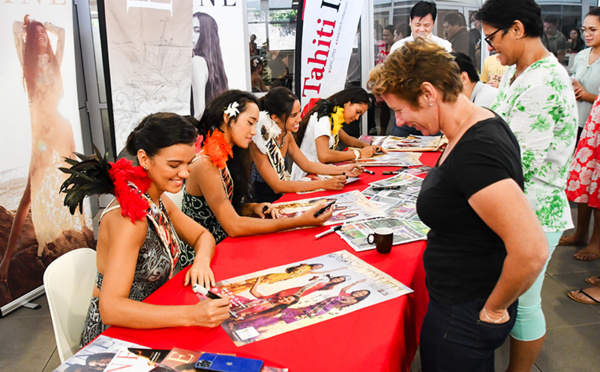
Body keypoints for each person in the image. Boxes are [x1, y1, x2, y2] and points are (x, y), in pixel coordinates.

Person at [368, 37, 548, 371]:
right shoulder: (476, 123)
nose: (402, 121)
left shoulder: (475, 151)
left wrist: (493, 309)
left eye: (399, 110)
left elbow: (532, 250)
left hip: (465, 313)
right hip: (462, 301)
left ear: (428, 94)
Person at [59, 113, 231, 348]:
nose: (185, 173)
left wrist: (201, 261)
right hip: (116, 337)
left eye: (189, 163)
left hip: (153, 317)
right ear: (144, 159)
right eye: (174, 165)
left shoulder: (157, 200)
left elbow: (203, 236)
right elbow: (111, 309)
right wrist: (191, 315)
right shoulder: (130, 220)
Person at [477, 0, 578, 370]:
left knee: (524, 305)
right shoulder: (515, 71)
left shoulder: (543, 81)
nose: (491, 48)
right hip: (516, 205)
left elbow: (519, 163)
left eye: (492, 38)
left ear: (517, 29)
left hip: (535, 208)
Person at [180, 90, 333, 256]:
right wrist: (298, 221)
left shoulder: (229, 155)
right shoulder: (206, 163)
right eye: (250, 123)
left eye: (255, 124)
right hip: (205, 256)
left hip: (224, 245)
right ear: (228, 118)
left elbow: (225, 207)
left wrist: (252, 207)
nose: (254, 131)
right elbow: (234, 226)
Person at [0, 15, 95, 284]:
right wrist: (29, 25)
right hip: (41, 137)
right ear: (30, 40)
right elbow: (15, 27)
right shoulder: (27, 67)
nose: (42, 36)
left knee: (73, 180)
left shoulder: (55, 62)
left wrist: (47, 27)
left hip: (62, 129)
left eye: (44, 34)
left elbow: (62, 33)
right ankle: (6, 259)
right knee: (29, 196)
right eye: (37, 35)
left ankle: (81, 232)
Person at [249, 87, 362, 202]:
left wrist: (343, 169)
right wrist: (323, 184)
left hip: (283, 197)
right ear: (275, 118)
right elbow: (277, 186)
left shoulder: (286, 134)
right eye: (293, 115)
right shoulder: (259, 140)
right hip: (262, 203)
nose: (299, 119)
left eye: (299, 112)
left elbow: (307, 165)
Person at [291, 87, 383, 181]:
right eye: (357, 112)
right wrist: (358, 153)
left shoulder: (333, 117)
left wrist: (369, 146)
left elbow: (347, 139)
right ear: (348, 103)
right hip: (307, 173)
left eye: (360, 115)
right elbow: (324, 155)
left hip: (321, 169)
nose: (357, 118)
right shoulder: (324, 119)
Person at [390, 2, 450, 137]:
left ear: (433, 24)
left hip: (434, 116)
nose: (421, 29)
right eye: (417, 24)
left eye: (426, 25)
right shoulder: (398, 47)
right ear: (410, 22)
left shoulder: (444, 47)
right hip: (405, 116)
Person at [564, 96, 600, 262]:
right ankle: (581, 233)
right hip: (596, 118)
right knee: (584, 174)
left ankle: (596, 241)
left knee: (598, 181)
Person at [565, 8, 600, 143]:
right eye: (584, 29)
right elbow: (573, 79)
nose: (587, 34)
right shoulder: (581, 56)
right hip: (576, 124)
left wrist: (587, 96)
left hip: (596, 129)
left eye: (593, 30)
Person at [191, 12, 228, 120]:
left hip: (201, 129)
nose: (191, 35)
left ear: (206, 34)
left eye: (197, 30)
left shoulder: (197, 62)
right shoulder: (213, 65)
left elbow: (199, 113)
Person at [376, 25, 396, 135]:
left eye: (387, 35)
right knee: (383, 107)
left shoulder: (397, 48)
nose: (385, 37)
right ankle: (382, 130)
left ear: (394, 36)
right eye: (383, 35)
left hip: (393, 80)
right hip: (381, 80)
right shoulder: (380, 46)